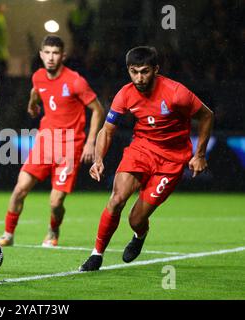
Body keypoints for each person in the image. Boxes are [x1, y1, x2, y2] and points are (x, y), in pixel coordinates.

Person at [79, 46, 214, 271]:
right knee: (116, 199)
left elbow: (207, 115)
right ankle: (96, 255)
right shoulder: (125, 94)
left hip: (172, 160)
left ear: (156, 70)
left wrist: (199, 154)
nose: (139, 78)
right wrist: (99, 159)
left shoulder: (176, 93)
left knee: (135, 219)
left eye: (144, 71)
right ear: (128, 71)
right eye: (134, 72)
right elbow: (108, 129)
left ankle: (140, 235)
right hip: (141, 149)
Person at [0, 35, 105, 247]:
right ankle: (8, 235)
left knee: (56, 202)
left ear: (63, 55)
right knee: (20, 189)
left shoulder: (75, 81)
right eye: (47, 53)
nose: (51, 57)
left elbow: (98, 110)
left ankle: (53, 231)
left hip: (70, 145)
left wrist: (91, 142)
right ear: (41, 54)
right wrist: (32, 104)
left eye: (55, 53)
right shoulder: (38, 76)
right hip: (45, 141)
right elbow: (36, 91)